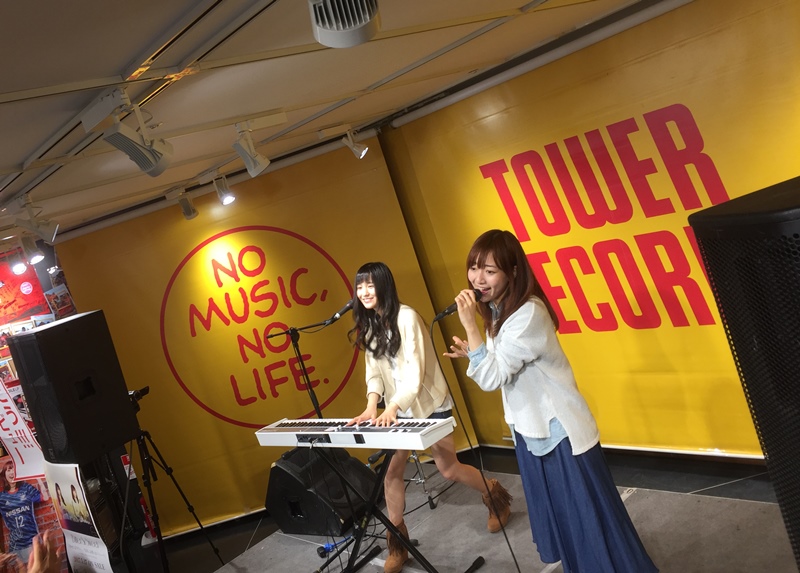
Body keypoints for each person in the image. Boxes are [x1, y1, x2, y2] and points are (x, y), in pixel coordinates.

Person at [444, 229, 658, 573]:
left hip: (559, 435)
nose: (477, 279)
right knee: (569, 525)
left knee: (589, 524)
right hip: (532, 433)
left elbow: (493, 377)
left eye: (489, 270)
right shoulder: (498, 312)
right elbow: (499, 366)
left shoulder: (527, 313)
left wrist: (470, 328)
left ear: (513, 271)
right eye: (474, 268)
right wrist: (475, 351)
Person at [347, 262, 511, 573]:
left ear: (384, 285)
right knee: (391, 473)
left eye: (370, 285)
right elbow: (374, 373)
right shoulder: (369, 325)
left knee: (448, 469)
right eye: (360, 286)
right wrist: (372, 405)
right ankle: (398, 544)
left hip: (428, 404)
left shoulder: (407, 317)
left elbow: (415, 372)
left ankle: (495, 495)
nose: (364, 292)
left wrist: (392, 407)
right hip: (398, 410)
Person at [0, 460, 50, 564]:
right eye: (8, 470)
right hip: (16, 546)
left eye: (14, 470)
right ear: (4, 474)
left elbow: (45, 497)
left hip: (33, 542)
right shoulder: (2, 497)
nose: (12, 473)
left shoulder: (26, 488)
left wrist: (38, 478)